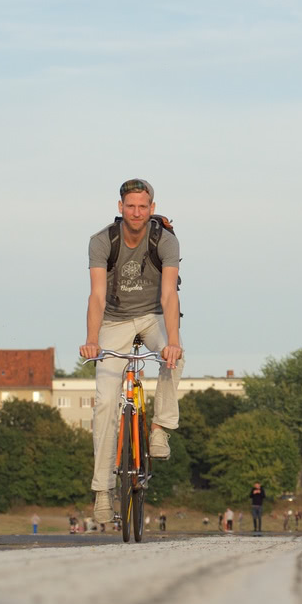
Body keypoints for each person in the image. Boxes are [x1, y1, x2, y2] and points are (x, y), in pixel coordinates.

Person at [80, 179, 184, 524]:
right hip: (113, 321)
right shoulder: (102, 241)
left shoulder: (165, 241)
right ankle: (102, 492)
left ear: (151, 208)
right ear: (121, 207)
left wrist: (173, 341)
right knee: (106, 403)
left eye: (143, 206)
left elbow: (169, 294)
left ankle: (159, 428)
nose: (136, 212)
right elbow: (96, 295)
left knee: (175, 356)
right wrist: (92, 338)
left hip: (153, 317)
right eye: (130, 206)